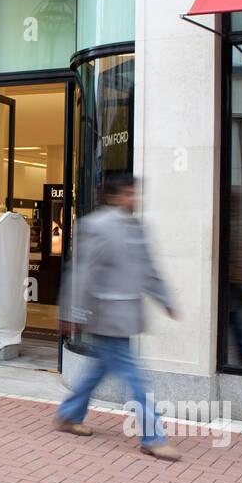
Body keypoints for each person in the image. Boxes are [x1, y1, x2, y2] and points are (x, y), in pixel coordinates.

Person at [55, 173, 180, 462]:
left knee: (98, 369)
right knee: (135, 378)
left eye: (135, 193)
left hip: (125, 315)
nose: (134, 198)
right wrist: (71, 312)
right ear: (112, 196)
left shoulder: (137, 226)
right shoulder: (96, 226)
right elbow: (81, 273)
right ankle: (153, 437)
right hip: (106, 315)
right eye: (127, 193)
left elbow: (147, 269)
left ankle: (69, 413)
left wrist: (165, 300)